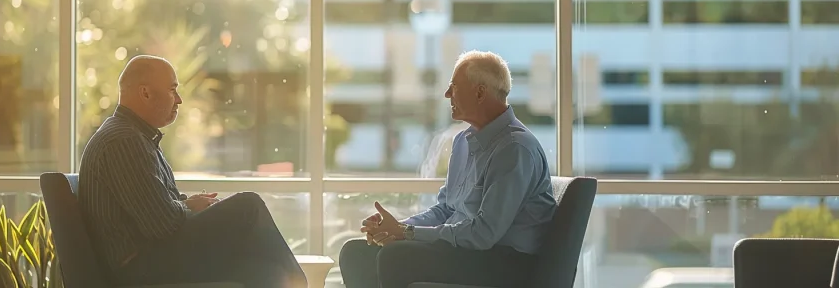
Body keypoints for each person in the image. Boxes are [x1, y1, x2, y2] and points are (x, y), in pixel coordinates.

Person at [77, 55, 307, 288]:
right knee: (249, 206)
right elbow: (161, 224)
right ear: (145, 93)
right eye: (172, 90)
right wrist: (189, 206)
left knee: (265, 271)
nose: (179, 100)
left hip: (149, 256)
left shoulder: (135, 137)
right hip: (139, 266)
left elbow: (155, 211)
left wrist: (191, 205)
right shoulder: (124, 141)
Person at [338, 50, 557, 288]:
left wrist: (407, 232)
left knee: (396, 257)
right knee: (355, 253)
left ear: (480, 92)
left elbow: (484, 234)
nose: (447, 94)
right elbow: (445, 210)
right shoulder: (463, 142)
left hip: (507, 262)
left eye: (454, 87)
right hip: (469, 253)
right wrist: (395, 228)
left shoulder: (514, 149)